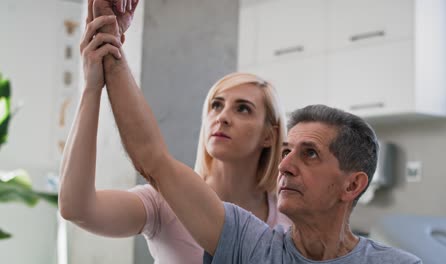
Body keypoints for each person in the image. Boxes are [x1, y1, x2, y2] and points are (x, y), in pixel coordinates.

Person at [58, 1, 290, 264]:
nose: (222, 117)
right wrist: (91, 87)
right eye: (216, 105)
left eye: (243, 109)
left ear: (269, 135)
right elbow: (77, 208)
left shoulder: (288, 219)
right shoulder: (164, 201)